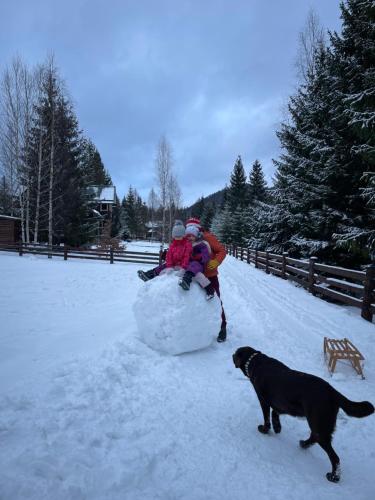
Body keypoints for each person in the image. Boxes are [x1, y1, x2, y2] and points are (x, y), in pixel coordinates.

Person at [185, 217, 227, 342]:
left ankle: (222, 327)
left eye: (194, 227)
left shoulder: (208, 237)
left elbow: (222, 251)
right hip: (192, 275)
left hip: (209, 275)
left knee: (216, 300)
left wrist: (216, 261)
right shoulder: (186, 238)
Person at [178, 225, 216, 300]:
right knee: (198, 275)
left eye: (192, 236)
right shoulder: (186, 245)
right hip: (190, 265)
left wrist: (200, 257)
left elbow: (206, 256)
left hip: (199, 264)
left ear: (197, 236)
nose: (190, 238)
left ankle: (186, 280)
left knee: (194, 265)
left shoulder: (201, 245)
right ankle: (209, 289)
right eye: (188, 236)